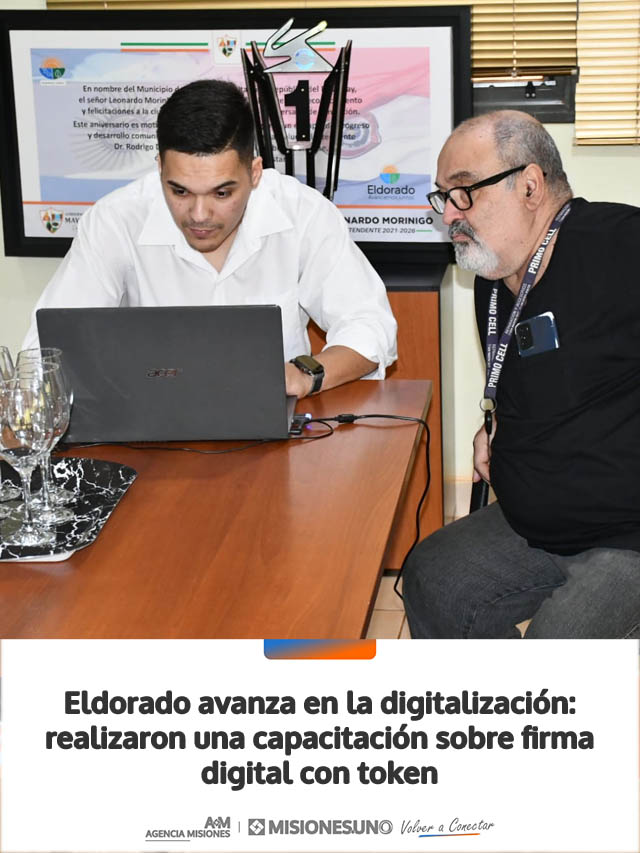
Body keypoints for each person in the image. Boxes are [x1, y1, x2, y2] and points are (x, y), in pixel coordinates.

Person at [403, 109, 640, 639]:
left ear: (530, 186)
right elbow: (556, 378)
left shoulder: (620, 245)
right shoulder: (492, 275)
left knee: (553, 654)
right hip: (533, 522)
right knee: (433, 578)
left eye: (465, 192)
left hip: (628, 537)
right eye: (443, 196)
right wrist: (497, 425)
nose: (450, 214)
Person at [24, 80, 397, 398]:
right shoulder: (115, 220)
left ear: (254, 172)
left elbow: (370, 325)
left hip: (277, 420)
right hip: (149, 420)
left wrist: (303, 375)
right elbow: (47, 350)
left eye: (222, 193)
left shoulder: (303, 213)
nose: (199, 214)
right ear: (160, 169)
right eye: (180, 191)